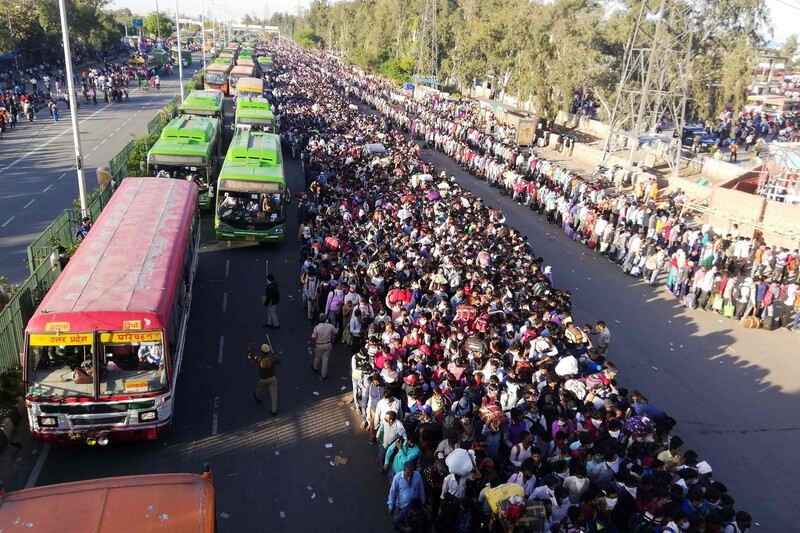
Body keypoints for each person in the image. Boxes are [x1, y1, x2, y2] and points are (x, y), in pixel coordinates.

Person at [247, 342, 280, 416]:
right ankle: (274, 411)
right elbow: (279, 361)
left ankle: (258, 398)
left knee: (260, 389)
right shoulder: (272, 358)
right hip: (272, 378)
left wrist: (249, 349)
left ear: (262, 351)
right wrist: (275, 356)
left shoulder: (259, 359)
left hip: (263, 379)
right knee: (274, 395)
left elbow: (250, 356)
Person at [310, 313, 338, 379]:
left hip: (319, 345)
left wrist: (311, 345)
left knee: (317, 357)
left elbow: (313, 337)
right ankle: (324, 375)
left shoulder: (316, 327)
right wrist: (338, 329)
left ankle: (315, 368)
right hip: (328, 344)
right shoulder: (330, 326)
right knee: (325, 360)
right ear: (326, 319)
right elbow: (336, 332)